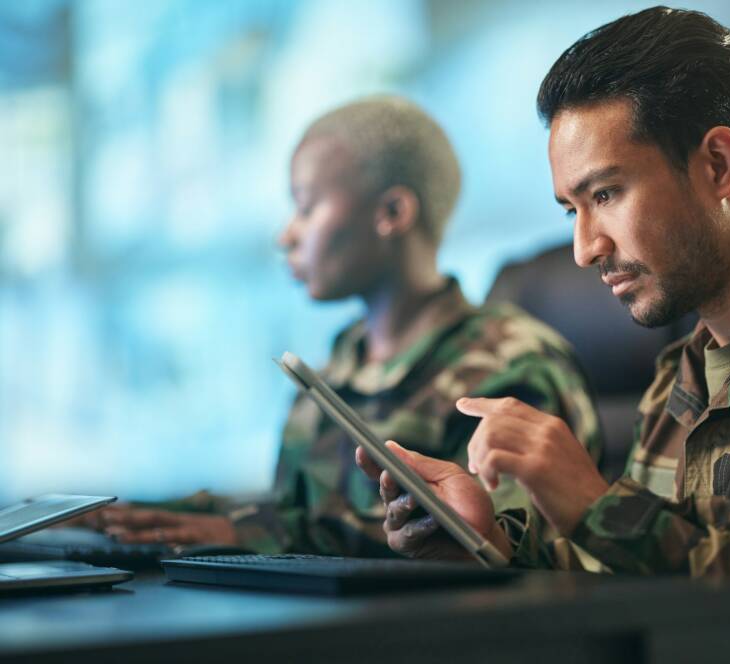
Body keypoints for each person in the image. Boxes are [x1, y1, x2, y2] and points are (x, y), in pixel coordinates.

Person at [355, 9, 730, 661]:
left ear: (720, 164)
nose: (584, 249)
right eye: (571, 210)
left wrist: (601, 510)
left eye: (605, 194)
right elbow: (645, 579)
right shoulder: (685, 370)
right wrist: (494, 543)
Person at [87, 96, 601, 559]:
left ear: (392, 212)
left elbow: (502, 547)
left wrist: (258, 534)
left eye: (307, 207)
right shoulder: (342, 361)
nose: (286, 234)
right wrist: (127, 513)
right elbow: (294, 511)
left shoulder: (511, 362)